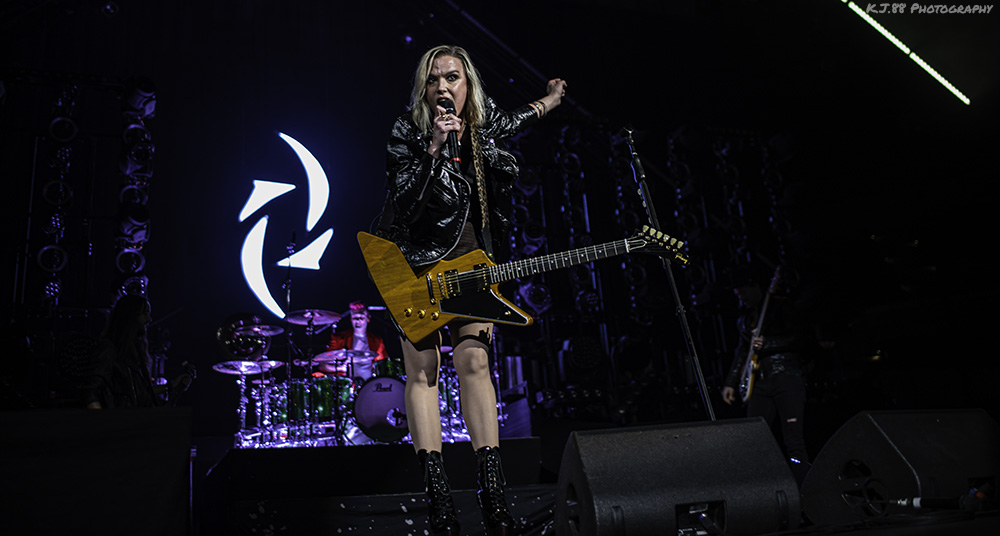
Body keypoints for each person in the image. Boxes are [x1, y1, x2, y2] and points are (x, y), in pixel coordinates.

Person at [374, 44, 566, 536]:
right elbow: (405, 203)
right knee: (424, 372)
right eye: (434, 79)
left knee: (476, 361)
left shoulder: (482, 129)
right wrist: (435, 149)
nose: (443, 88)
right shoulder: (407, 132)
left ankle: (492, 488)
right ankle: (438, 496)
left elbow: (521, 117)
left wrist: (551, 99)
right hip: (414, 265)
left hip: (471, 263)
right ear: (424, 87)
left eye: (452, 78)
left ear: (468, 85)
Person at [722, 277, 811, 485]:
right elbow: (742, 351)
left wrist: (768, 343)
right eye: (738, 295)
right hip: (760, 383)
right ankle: (766, 488)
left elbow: (801, 338)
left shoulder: (780, 308)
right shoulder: (744, 318)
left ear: (756, 287)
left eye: (743, 292)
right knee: (755, 436)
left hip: (785, 377)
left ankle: (805, 490)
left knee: (793, 441)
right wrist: (731, 382)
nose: (741, 298)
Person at [83, 294, 195, 409]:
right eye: (145, 314)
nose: (149, 320)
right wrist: (103, 423)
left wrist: (172, 386)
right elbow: (91, 392)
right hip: (118, 423)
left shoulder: (135, 352)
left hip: (133, 422)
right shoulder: (108, 348)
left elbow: (140, 392)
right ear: (130, 316)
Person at [317, 301, 388, 383]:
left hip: (370, 385)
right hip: (346, 386)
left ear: (368, 319)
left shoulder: (376, 340)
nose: (358, 320)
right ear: (351, 319)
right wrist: (340, 368)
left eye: (361, 317)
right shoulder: (339, 339)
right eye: (355, 317)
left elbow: (384, 365)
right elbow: (323, 365)